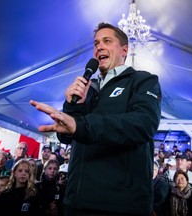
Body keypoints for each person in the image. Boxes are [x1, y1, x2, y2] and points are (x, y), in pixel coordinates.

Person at [30, 22, 162, 215]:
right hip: (75, 200)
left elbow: (143, 124)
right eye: (96, 43)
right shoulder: (87, 88)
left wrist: (80, 125)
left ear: (124, 50)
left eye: (107, 41)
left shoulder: (143, 80)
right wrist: (71, 106)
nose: (99, 46)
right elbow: (67, 136)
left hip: (119, 204)